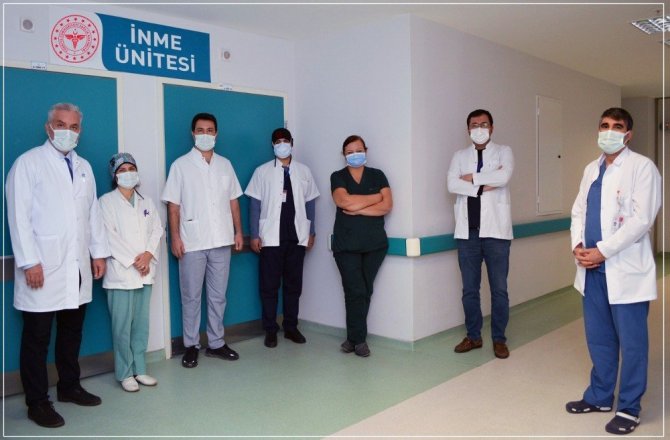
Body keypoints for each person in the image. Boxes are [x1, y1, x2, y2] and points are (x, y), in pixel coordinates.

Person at [5, 102, 110, 428]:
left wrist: (98, 253)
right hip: (42, 266)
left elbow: (92, 214)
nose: (68, 131)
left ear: (80, 131)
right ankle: (37, 402)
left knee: (71, 331)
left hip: (76, 266)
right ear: (49, 128)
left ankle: (69, 386)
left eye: (74, 126)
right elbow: (18, 217)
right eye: (61, 124)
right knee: (37, 338)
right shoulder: (28, 163)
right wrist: (29, 262)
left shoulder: (84, 167)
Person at [566, 107, 661, 435]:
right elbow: (578, 211)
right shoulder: (590, 169)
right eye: (604, 125)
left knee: (632, 344)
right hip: (592, 270)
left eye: (617, 127)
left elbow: (641, 219)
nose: (609, 131)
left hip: (625, 270)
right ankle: (600, 396)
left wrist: (603, 251)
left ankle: (629, 408)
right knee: (600, 339)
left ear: (628, 134)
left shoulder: (642, 168)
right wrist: (578, 246)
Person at [161, 112, 244, 368]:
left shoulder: (225, 165)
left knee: (218, 296)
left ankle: (216, 343)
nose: (205, 134)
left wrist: (238, 232)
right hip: (192, 242)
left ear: (216, 134)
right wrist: (175, 237)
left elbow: (233, 201)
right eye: (200, 130)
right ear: (193, 133)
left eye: (209, 130)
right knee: (191, 297)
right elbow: (173, 206)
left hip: (221, 240)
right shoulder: (180, 166)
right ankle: (191, 345)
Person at [447, 109, 514, 359]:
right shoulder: (459, 156)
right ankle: (473, 336)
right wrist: (484, 185)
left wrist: (470, 179)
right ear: (468, 129)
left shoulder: (504, 151)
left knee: (499, 290)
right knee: (469, 290)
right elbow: (452, 184)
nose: (479, 128)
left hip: (496, 233)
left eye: (484, 124)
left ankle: (499, 339)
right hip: (468, 234)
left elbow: (504, 176)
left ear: (492, 128)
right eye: (474, 125)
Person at [245, 128, 320, 347]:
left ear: (292, 143)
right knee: (269, 287)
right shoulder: (262, 172)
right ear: (272, 145)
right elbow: (255, 204)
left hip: (296, 237)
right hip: (270, 238)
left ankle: (291, 327)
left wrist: (312, 231)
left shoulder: (304, 171)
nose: (282, 144)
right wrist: (254, 234)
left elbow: (310, 203)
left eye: (285, 140)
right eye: (277, 141)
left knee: (293, 286)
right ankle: (270, 329)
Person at [99, 153, 163, 392]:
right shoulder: (106, 202)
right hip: (121, 274)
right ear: (115, 176)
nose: (128, 173)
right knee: (122, 327)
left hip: (145, 271)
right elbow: (108, 235)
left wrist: (148, 255)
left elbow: (157, 229)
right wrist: (134, 261)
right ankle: (125, 373)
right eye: (122, 170)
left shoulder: (147, 201)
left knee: (141, 325)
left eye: (131, 168)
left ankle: (140, 369)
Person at [331, 135, 393, 357]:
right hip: (346, 246)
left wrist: (359, 208)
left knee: (364, 290)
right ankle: (359, 341)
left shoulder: (378, 175)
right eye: (349, 152)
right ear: (343, 155)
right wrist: (375, 198)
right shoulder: (338, 176)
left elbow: (387, 206)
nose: (354, 154)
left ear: (366, 150)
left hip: (374, 245)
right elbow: (343, 201)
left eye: (358, 150)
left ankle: (352, 339)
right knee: (355, 290)